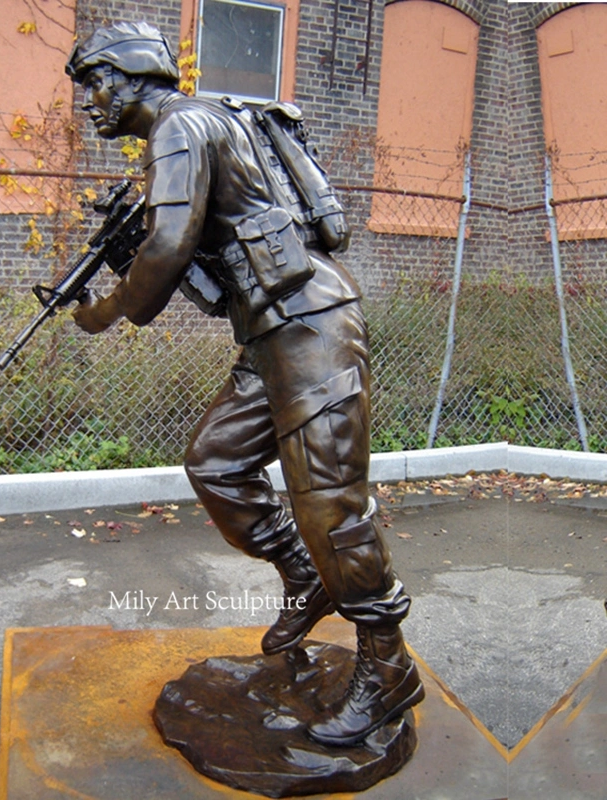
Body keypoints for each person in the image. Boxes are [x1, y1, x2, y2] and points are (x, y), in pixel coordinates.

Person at [66, 21, 424, 746]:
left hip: (309, 329)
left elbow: (168, 250)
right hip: (273, 336)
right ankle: (306, 573)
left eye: (97, 83)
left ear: (134, 77)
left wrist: (103, 313)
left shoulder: (180, 127)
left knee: (330, 505)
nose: (90, 103)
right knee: (217, 462)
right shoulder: (197, 125)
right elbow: (185, 237)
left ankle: (387, 667)